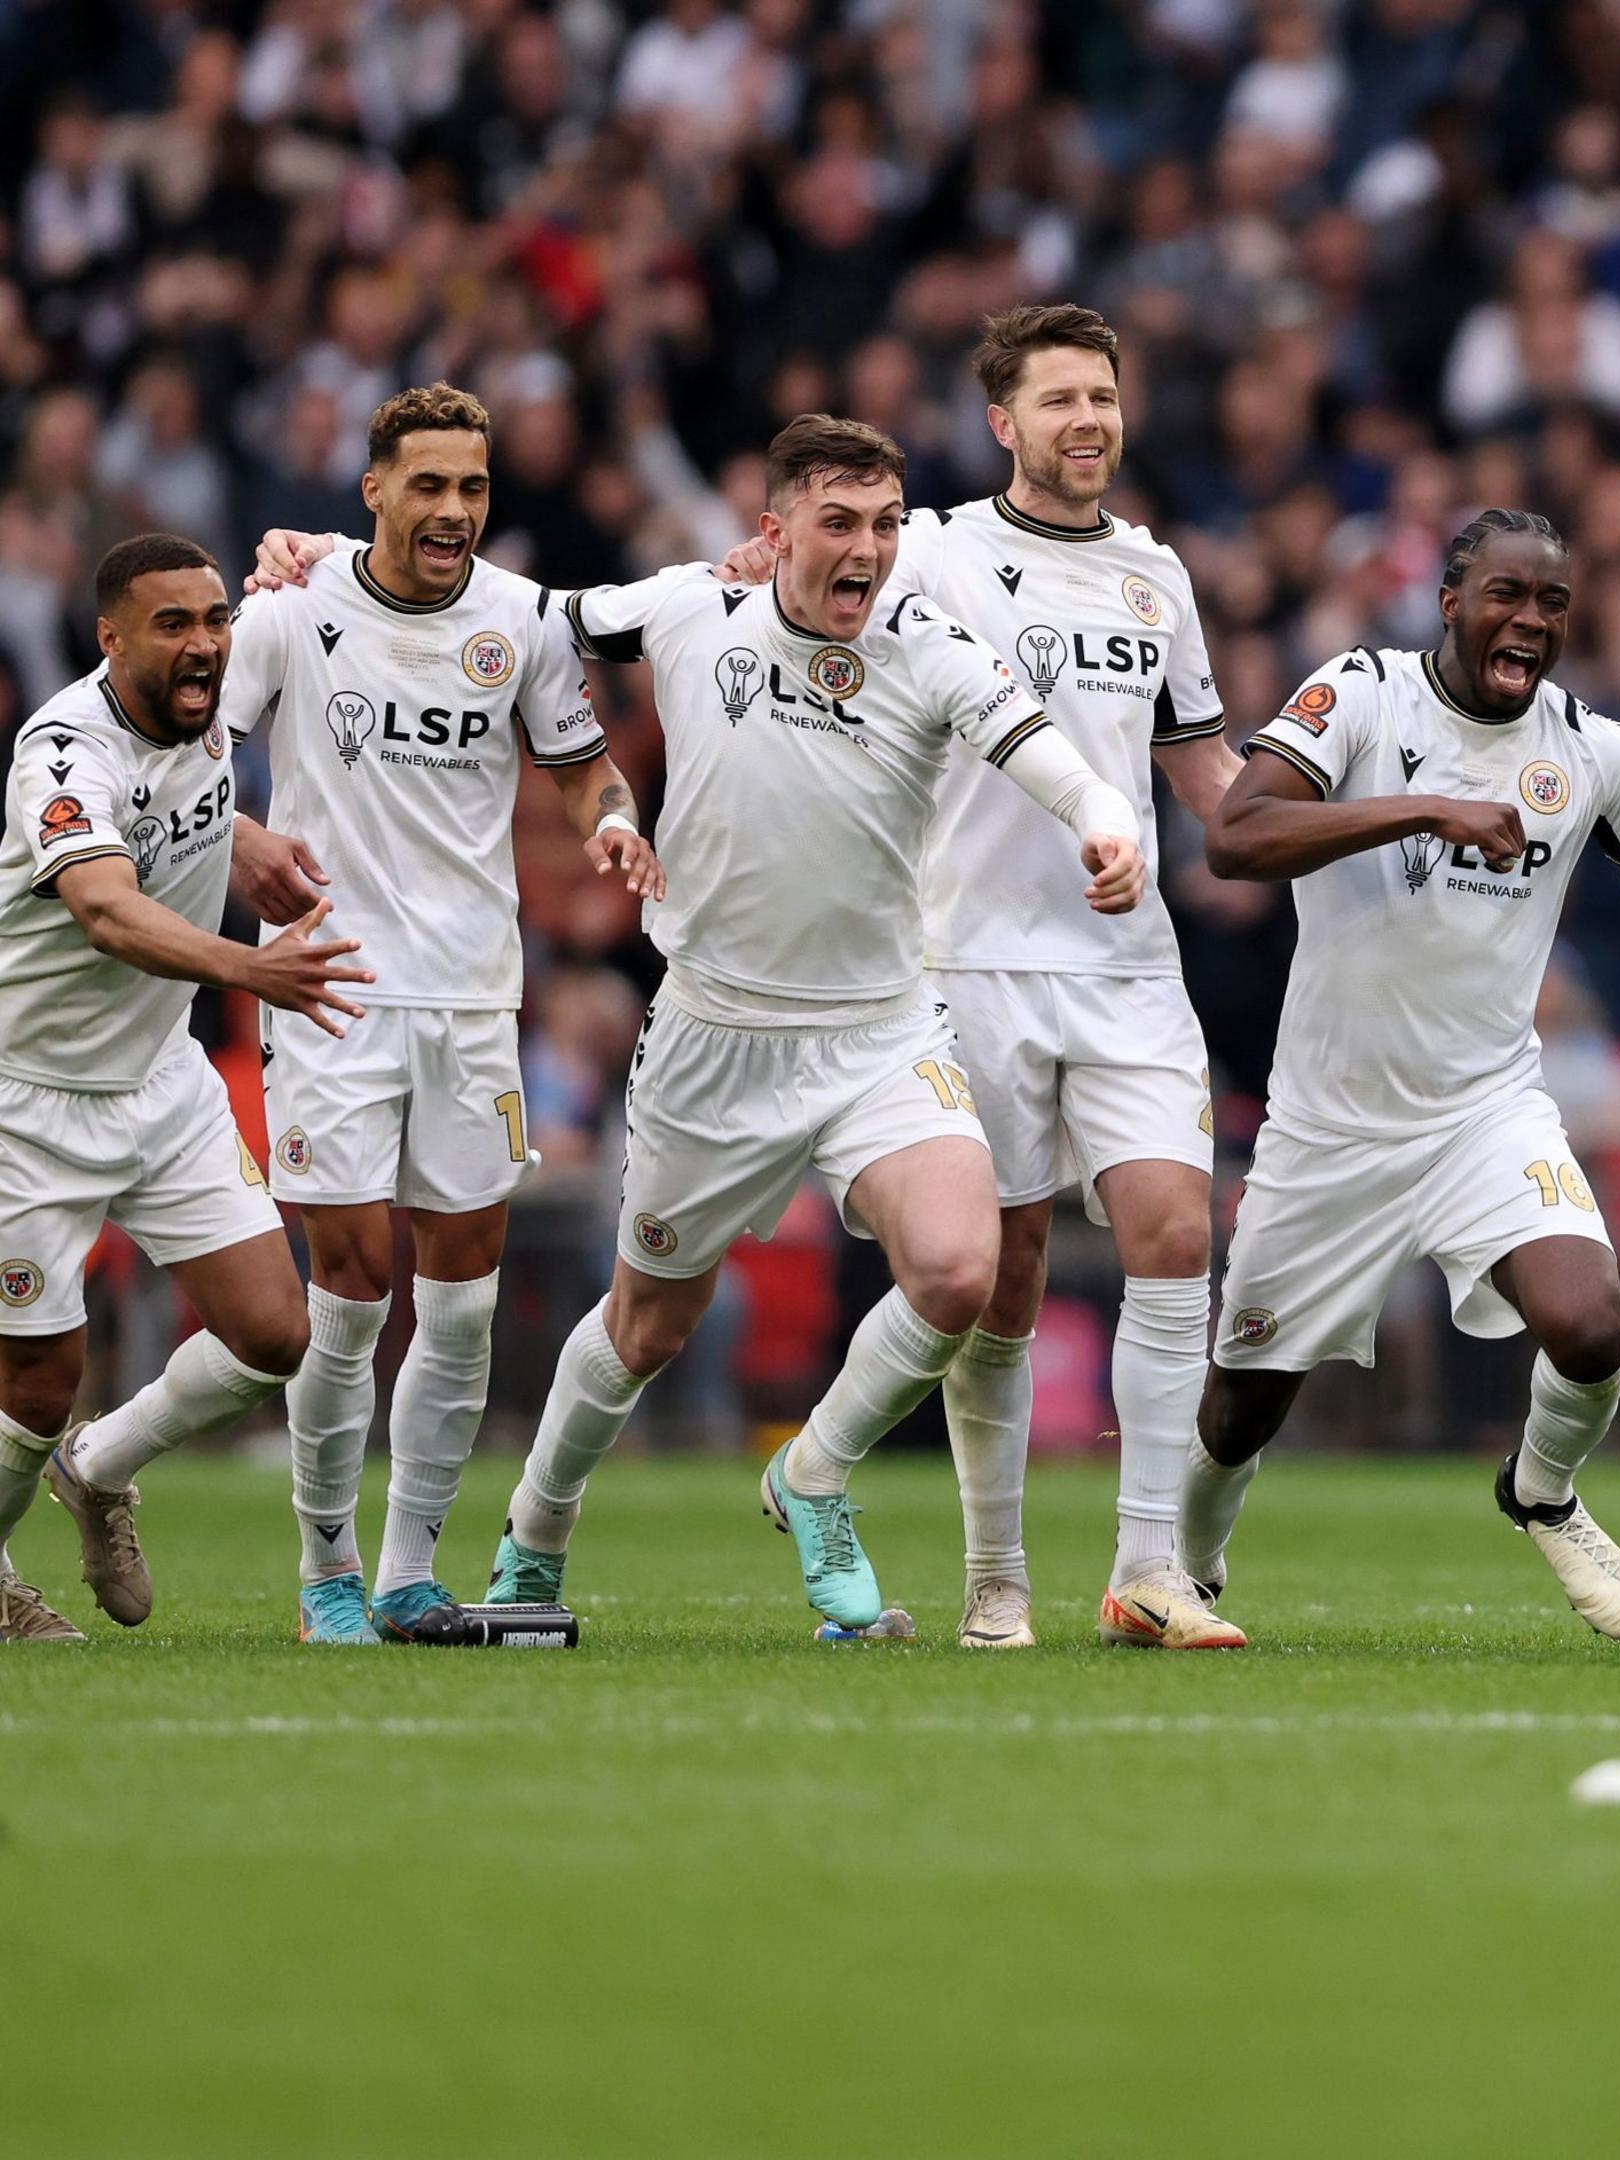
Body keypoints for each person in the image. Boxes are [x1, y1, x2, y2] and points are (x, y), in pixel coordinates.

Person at [477, 416, 1151, 1635]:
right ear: (773, 530)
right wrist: (333, 556)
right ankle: (535, 1537)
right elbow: (523, 614)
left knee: (959, 1269)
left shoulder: (929, 644)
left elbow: (1045, 751)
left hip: (881, 1031)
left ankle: (815, 1468)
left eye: (887, 524)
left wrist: (1106, 823)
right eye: (839, 524)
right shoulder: (688, 609)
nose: (870, 551)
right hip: (715, 1034)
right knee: (647, 1325)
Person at [1187, 510, 1620, 1644]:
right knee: (1245, 1401)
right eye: (1508, 595)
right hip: (1331, 1126)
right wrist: (1426, 806)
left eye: (1552, 602)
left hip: (1484, 1111)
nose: (1531, 620)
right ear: (1451, 602)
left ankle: (1539, 1489)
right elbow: (1238, 836)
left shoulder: (1591, 748)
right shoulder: (1361, 693)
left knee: (1591, 1324)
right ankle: (1185, 1569)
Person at [683, 307, 1240, 1652]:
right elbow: (752, 578)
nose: (1089, 421)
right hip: (967, 958)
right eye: (1058, 401)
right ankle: (999, 1578)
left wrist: (1327, 829)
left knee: (1174, 1234)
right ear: (1004, 424)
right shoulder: (924, 547)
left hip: (1123, 964)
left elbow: (1208, 777)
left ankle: (1152, 1567)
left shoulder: (1156, 577)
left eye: (1102, 396)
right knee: (1008, 1272)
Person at [222, 383, 663, 1644]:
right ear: (373, 491)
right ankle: (324, 1572)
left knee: (461, 1295)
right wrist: (245, 835)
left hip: (474, 995)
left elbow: (580, 768)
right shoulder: (294, 611)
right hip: (330, 983)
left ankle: (413, 1570)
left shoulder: (519, 618)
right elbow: (191, 746)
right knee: (353, 1286)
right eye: (429, 485)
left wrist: (617, 825)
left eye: (472, 487)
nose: (455, 510)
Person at [0, 536, 368, 1641]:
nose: (204, 642)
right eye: (173, 625)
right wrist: (251, 968)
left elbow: (184, 797)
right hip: (29, 1098)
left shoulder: (200, 704)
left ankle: (100, 1468)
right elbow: (105, 907)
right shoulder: (62, 754)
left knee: (273, 1332)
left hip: (160, 1080)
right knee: (34, 1382)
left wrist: (243, 838)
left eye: (213, 619)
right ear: (110, 639)